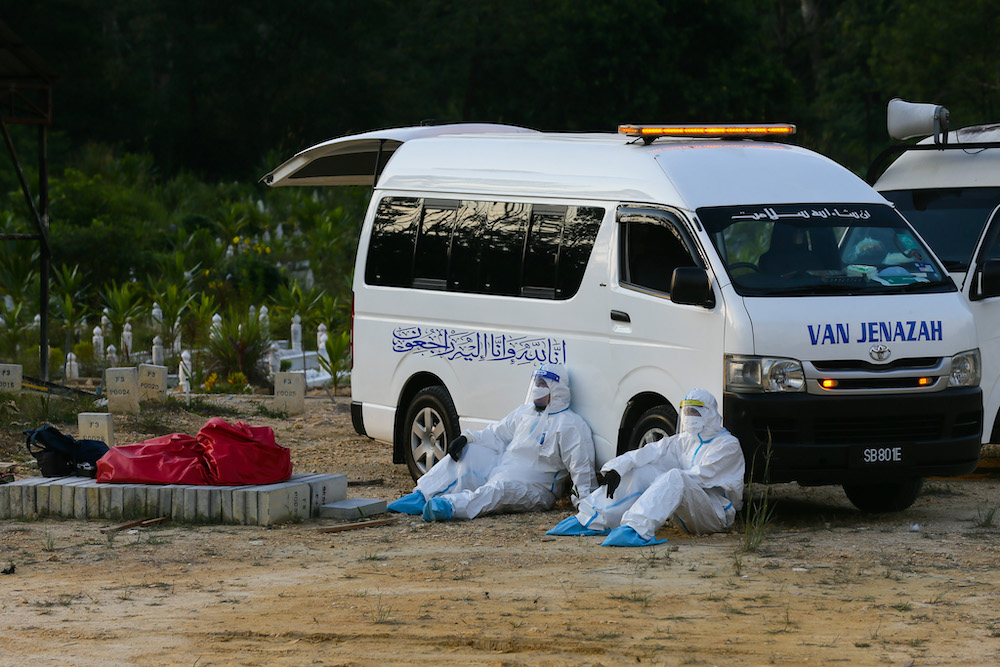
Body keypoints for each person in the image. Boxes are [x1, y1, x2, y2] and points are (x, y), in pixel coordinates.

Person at [387, 363, 597, 521]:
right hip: (502, 468)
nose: (537, 388)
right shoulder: (525, 413)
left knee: (499, 489)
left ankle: (449, 507)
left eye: (544, 384)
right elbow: (496, 434)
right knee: (468, 453)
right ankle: (422, 494)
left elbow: (582, 470)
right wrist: (467, 438)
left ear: (556, 389)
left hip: (536, 489)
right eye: (537, 382)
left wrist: (587, 508)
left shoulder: (570, 425)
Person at [547, 388, 744, 547]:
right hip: (687, 511)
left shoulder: (726, 445)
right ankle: (593, 519)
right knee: (643, 470)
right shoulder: (684, 441)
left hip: (717, 514)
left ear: (709, 413)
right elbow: (649, 452)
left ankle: (637, 530)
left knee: (674, 476)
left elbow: (700, 477)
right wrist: (616, 468)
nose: (689, 416)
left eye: (695, 411)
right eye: (687, 411)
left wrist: (659, 482)